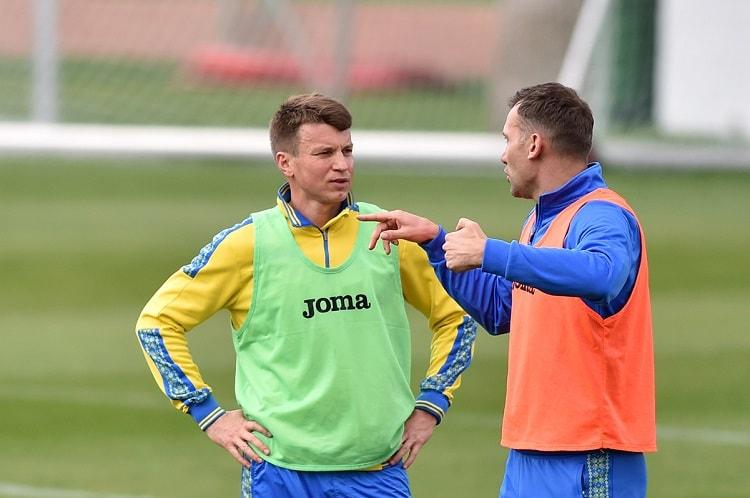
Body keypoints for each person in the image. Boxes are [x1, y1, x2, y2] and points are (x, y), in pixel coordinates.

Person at [135, 93, 476, 498]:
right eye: (324, 153)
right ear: (286, 163)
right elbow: (157, 324)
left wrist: (431, 404)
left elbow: (457, 315)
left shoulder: (388, 233)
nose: (342, 164)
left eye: (348, 150)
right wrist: (208, 414)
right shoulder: (247, 244)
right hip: (278, 472)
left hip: (376, 471)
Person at [359, 82, 656, 498]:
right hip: (530, 450)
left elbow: (603, 274)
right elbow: (502, 309)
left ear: (534, 145)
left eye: (507, 138)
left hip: (588, 452)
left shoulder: (601, 214)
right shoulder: (540, 221)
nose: (502, 154)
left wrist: (491, 252)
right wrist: (436, 245)